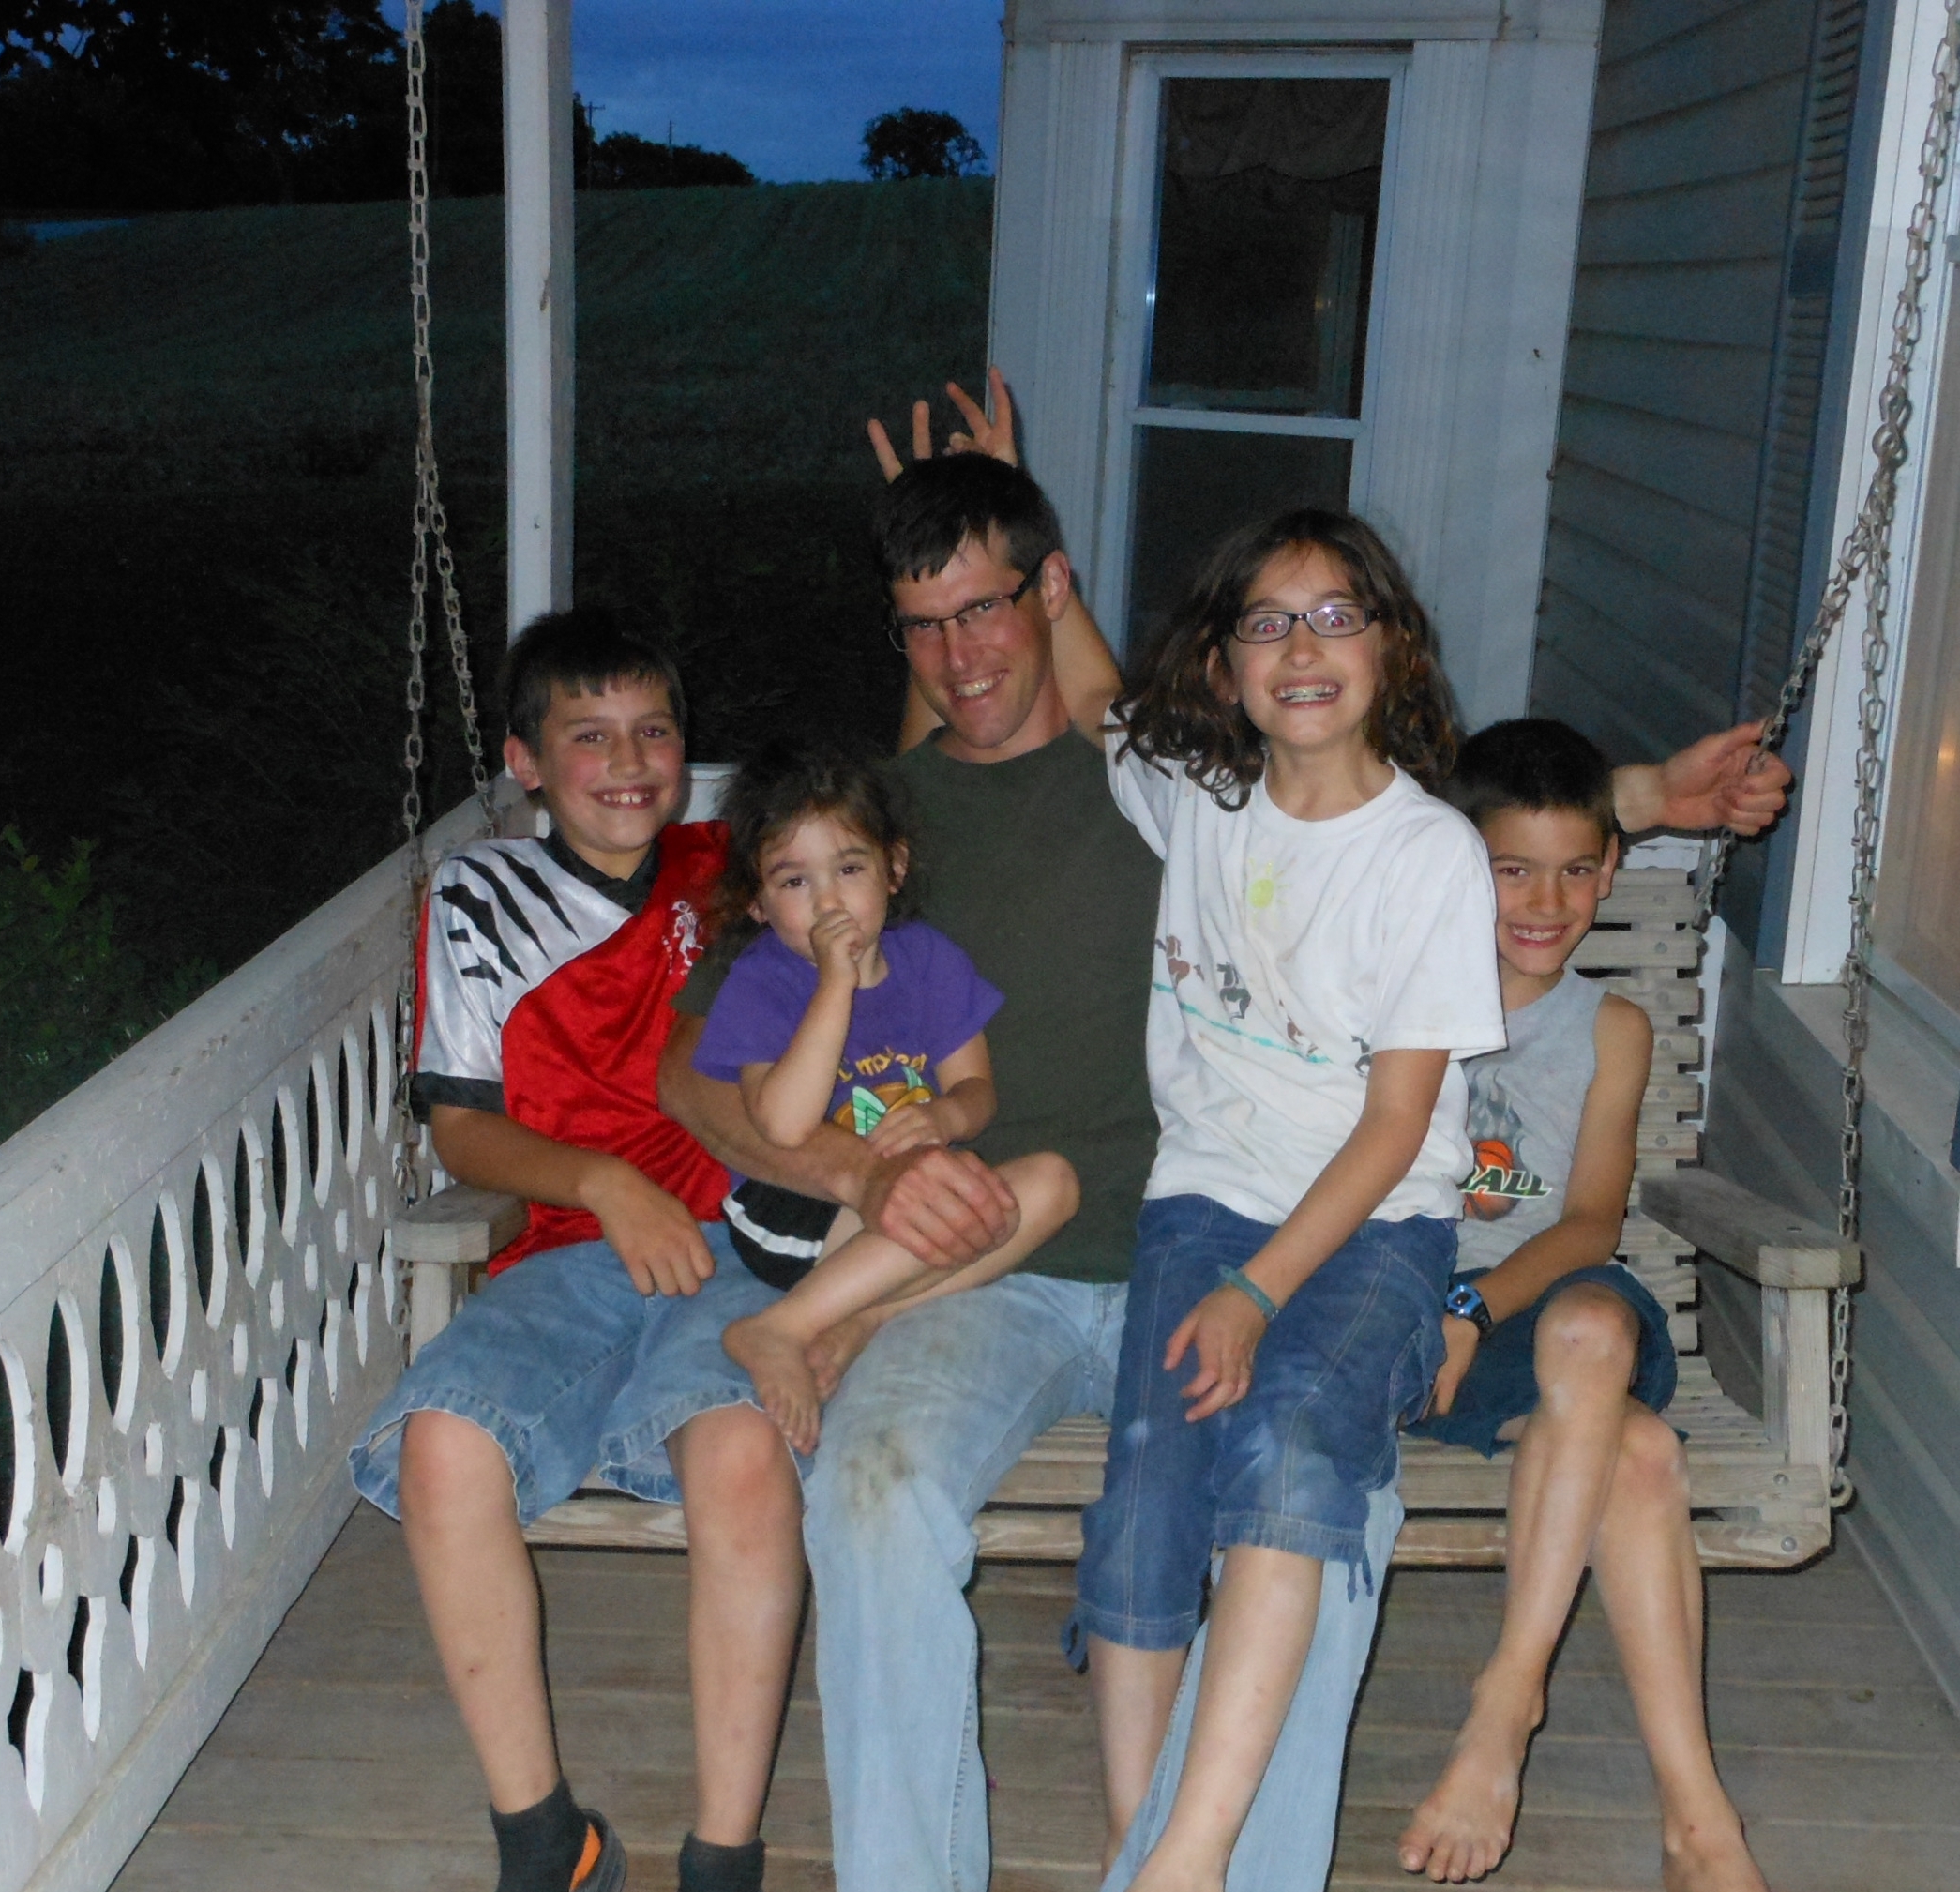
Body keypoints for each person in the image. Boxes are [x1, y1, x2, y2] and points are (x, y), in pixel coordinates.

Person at [659, 382, 1793, 1892]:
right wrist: (863, 1173)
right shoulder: (875, 830)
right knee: (868, 1487)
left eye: (991, 608)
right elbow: (696, 1071)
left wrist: (1646, 796)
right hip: (997, 1269)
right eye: (924, 626)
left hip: (1253, 1239)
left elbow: (1424, 822)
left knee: (1310, 1512)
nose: (963, 653)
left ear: (1050, 594)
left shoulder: (1173, 778)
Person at [1058, 506, 1505, 1892]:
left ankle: (1187, 1859)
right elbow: (1086, 700)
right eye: (1265, 622)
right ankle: (1147, 1843)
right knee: (1148, 1490)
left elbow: (1395, 1126)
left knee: (1295, 1461)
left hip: (1376, 1226)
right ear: (1224, 661)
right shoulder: (1200, 792)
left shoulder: (1427, 855)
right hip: (1205, 1199)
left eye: (1333, 617)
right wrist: (1049, 574)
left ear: (1389, 647)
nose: (1300, 649)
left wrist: (1259, 1294)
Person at [347, 609, 805, 1892]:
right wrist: (607, 1184)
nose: (627, 760)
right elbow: (460, 1128)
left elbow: (911, 801)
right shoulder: (479, 895)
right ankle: (546, 1840)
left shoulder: (737, 870)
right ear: (525, 760)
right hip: (568, 1250)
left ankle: (724, 1856)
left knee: (741, 1455)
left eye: (653, 730)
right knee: (443, 1446)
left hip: (747, 1253)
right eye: (587, 734)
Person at [1395, 719, 1767, 1892]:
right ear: (1461, 865)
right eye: (1510, 867)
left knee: (1591, 1325)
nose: (1545, 901)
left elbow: (1587, 1225)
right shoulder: (1393, 998)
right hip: (1424, 1330)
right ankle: (1696, 1822)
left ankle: (1505, 1698)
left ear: (1611, 871)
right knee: (1640, 1458)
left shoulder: (1610, 1027)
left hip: (1546, 1305)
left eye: (1574, 868)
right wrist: (1432, 1310)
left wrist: (1468, 1301)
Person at [694, 740, 1078, 1452]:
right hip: (791, 1208)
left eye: (848, 868)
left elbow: (976, 1089)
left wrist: (943, 1114)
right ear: (755, 902)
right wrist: (834, 983)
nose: (829, 900)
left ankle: (859, 1318)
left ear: (893, 868)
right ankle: (778, 1325)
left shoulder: (929, 959)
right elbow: (781, 1125)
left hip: (904, 1195)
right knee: (941, 1225)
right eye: (793, 881)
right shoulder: (762, 981)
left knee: (1051, 1184)